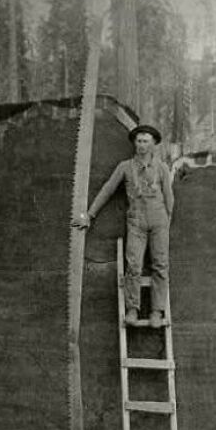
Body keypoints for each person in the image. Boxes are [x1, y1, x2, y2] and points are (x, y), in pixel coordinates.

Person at [73, 124, 174, 328]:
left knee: (160, 265)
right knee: (134, 265)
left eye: (146, 141)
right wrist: (89, 215)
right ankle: (132, 309)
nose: (142, 145)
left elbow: (170, 199)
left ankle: (156, 311)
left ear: (153, 144)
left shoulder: (162, 168)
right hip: (136, 221)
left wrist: (165, 224)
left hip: (159, 221)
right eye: (138, 141)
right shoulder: (125, 167)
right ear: (134, 144)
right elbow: (107, 190)